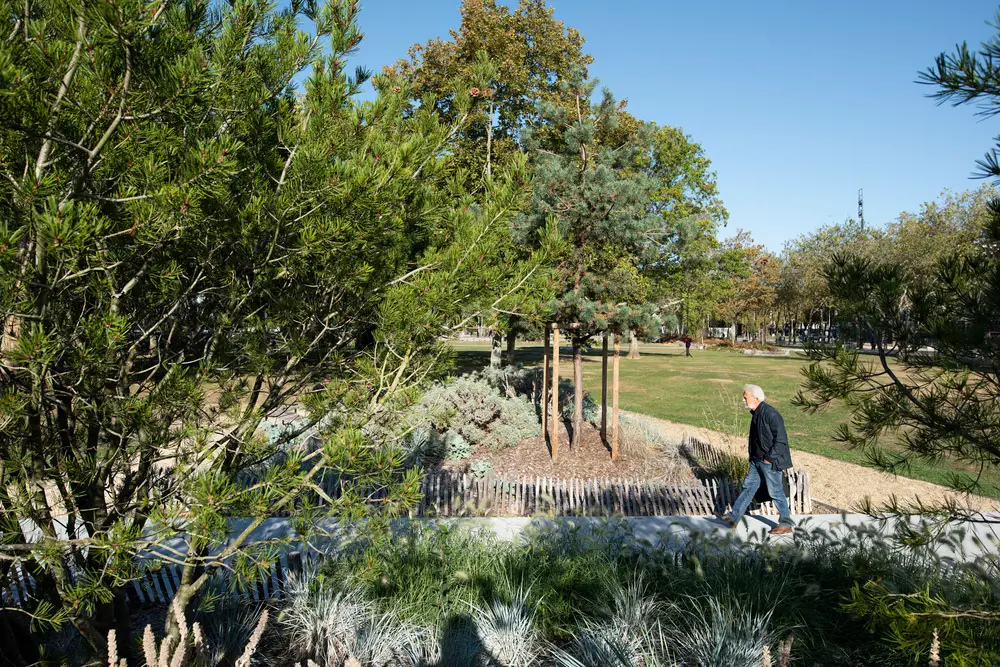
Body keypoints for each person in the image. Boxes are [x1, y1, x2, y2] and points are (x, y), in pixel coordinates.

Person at [716, 384, 795, 535]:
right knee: (748, 488)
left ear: (756, 398)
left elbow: (781, 440)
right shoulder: (756, 413)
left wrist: (769, 458)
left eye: (745, 397)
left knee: (776, 492)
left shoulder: (771, 414)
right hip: (756, 461)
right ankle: (733, 518)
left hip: (769, 462)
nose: (743, 400)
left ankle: (786, 524)